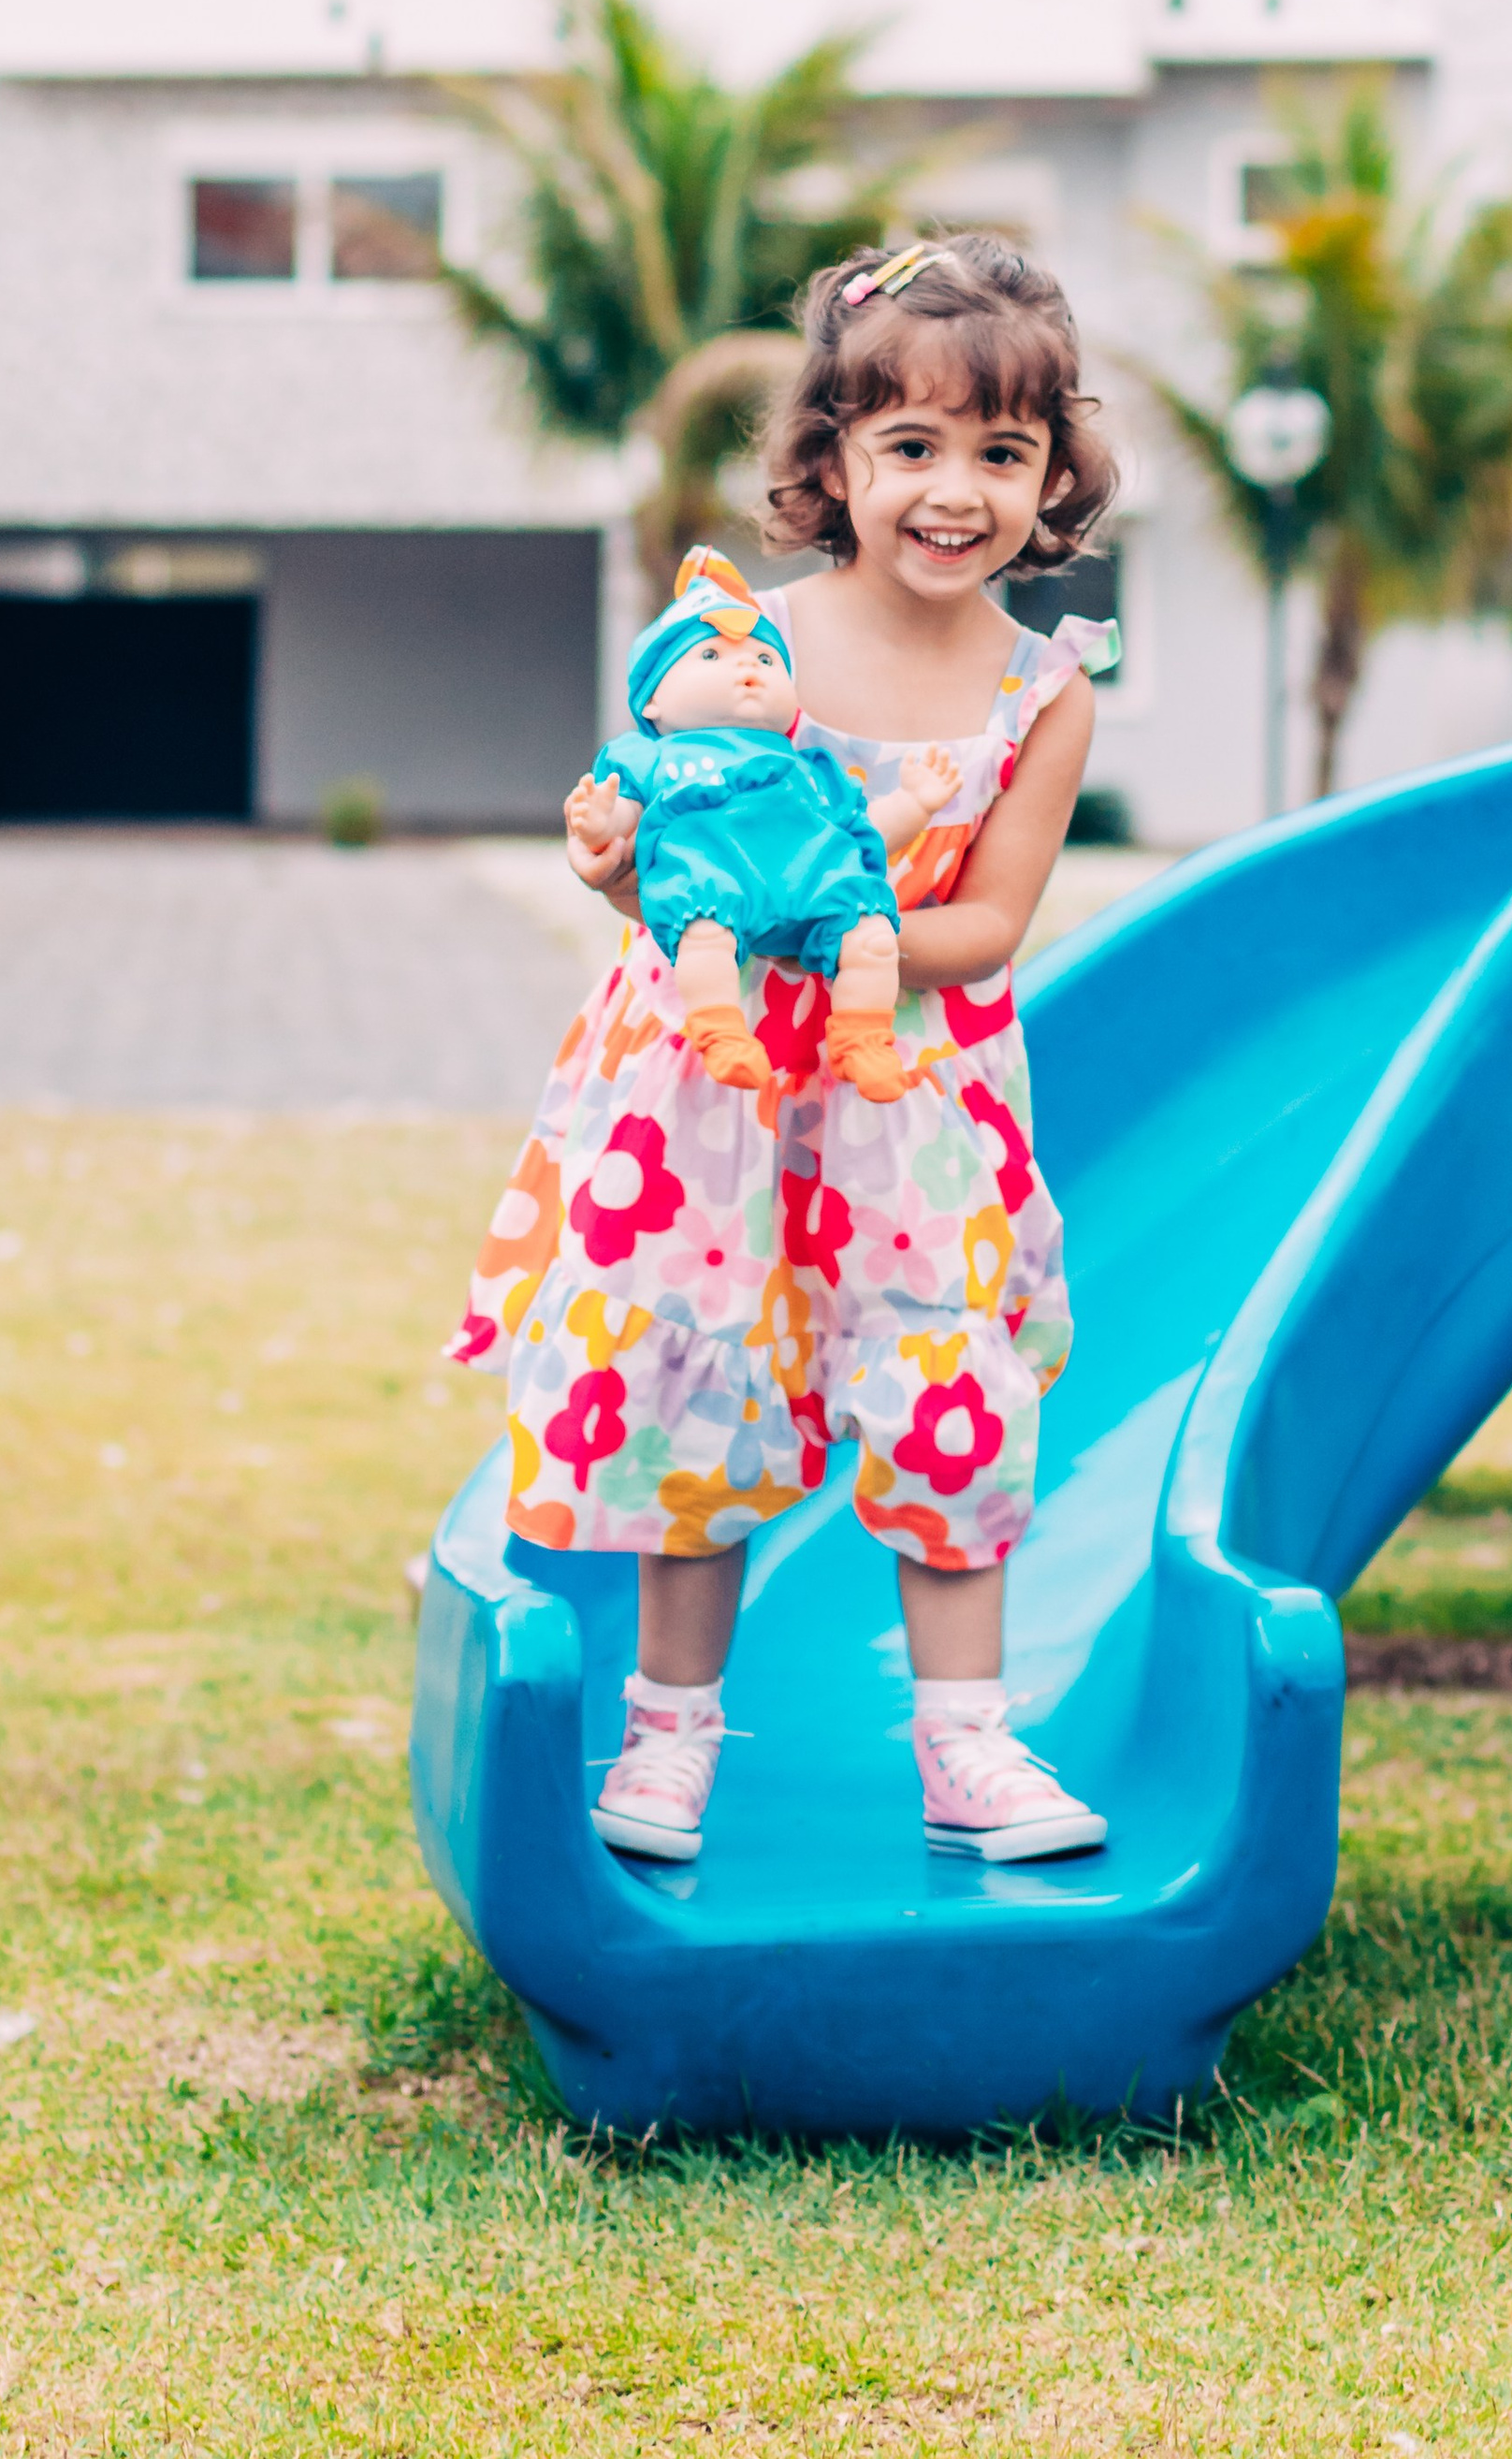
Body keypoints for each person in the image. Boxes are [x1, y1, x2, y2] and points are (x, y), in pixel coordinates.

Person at [448, 232, 1120, 1870]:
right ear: (832, 458)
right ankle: (671, 1740)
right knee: (701, 1378)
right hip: (716, 1091)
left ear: (1052, 479)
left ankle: (967, 1746)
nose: (954, 490)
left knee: (944, 1386)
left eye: (1001, 453)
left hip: (914, 1089)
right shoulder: (751, 655)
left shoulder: (1045, 690)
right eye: (912, 448)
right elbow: (662, 878)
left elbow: (991, 929)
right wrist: (620, 866)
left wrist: (841, 911)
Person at [564, 549, 961, 1104]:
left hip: (813, 883)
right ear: (651, 699)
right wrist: (601, 823)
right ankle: (720, 1030)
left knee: (872, 934)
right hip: (713, 879)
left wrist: (915, 804)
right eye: (709, 654)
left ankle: (863, 1037)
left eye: (766, 660)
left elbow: (859, 833)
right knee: (705, 937)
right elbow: (628, 822)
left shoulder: (806, 768)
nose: (747, 668)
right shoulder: (655, 757)